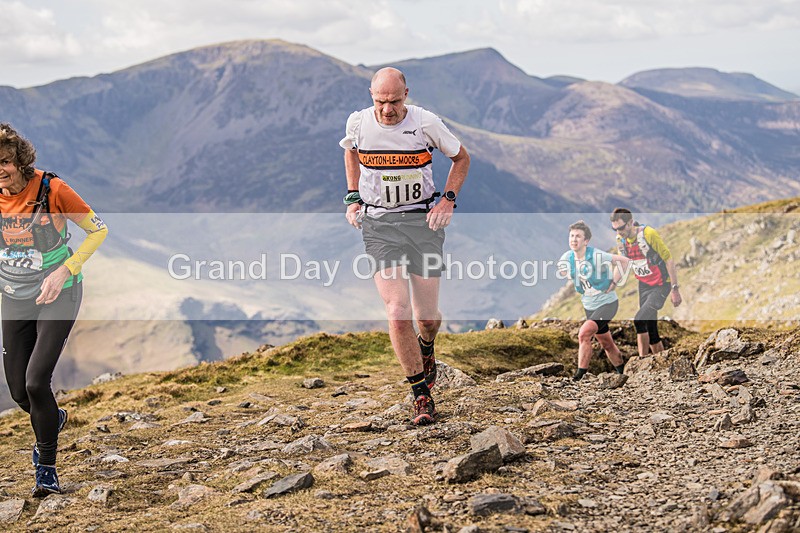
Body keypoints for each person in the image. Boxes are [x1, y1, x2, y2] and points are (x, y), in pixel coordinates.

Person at [340, 67, 470, 425]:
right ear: (371, 96)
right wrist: (353, 196)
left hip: (422, 225)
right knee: (397, 312)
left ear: (406, 95)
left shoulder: (425, 122)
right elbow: (351, 151)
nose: (387, 109)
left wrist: (447, 201)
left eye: (395, 101)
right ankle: (421, 396)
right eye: (381, 102)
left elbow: (462, 158)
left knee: (425, 318)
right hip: (380, 226)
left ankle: (426, 345)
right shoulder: (358, 123)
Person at [0, 123, 108, 496]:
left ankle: (46, 467)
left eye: (5, 162)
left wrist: (65, 270)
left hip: (59, 292)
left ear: (20, 161)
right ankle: (53, 417)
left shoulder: (52, 189)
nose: (0, 171)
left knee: (35, 382)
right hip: (15, 296)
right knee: (20, 392)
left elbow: (98, 230)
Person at [559, 220, 629, 381]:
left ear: (586, 241)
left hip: (607, 304)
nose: (574, 239)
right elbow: (562, 269)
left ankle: (579, 376)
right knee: (607, 344)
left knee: (584, 334)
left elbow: (624, 261)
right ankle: (623, 374)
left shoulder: (597, 255)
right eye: (571, 236)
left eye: (578, 236)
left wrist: (614, 282)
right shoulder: (568, 257)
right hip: (589, 306)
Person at [610, 208, 682, 357]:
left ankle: (641, 361)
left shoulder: (649, 234)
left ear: (630, 222)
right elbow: (622, 264)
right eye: (615, 229)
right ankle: (662, 363)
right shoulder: (621, 240)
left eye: (621, 228)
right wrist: (612, 284)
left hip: (661, 284)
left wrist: (675, 289)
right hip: (644, 285)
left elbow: (669, 259)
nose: (618, 232)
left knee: (639, 320)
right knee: (651, 330)